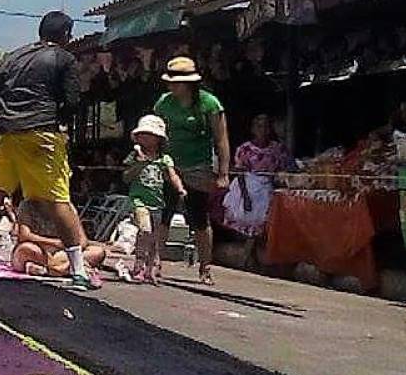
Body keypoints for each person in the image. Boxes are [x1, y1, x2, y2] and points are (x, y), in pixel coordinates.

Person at [0, 11, 97, 289]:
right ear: (65, 34)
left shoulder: (13, 57)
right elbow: (72, 101)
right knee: (58, 200)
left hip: (5, 135)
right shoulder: (64, 58)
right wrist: (58, 119)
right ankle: (78, 272)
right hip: (40, 134)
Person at [153, 56, 230, 285]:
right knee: (163, 213)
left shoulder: (209, 103)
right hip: (169, 164)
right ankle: (155, 262)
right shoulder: (164, 103)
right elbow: (154, 131)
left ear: (188, 83)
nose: (171, 86)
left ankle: (205, 266)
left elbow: (221, 139)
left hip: (198, 166)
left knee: (198, 217)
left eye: (176, 82)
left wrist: (224, 172)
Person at [123, 114, 185, 285]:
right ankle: (138, 264)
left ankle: (150, 269)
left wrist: (180, 189)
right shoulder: (134, 156)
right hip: (139, 200)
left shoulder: (164, 159)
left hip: (157, 203)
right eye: (142, 134)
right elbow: (126, 177)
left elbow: (172, 175)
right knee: (145, 230)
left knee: (154, 237)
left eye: (148, 134)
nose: (144, 137)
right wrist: (139, 164)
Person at [223, 113, 292, 238]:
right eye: (259, 127)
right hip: (248, 188)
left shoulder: (277, 148)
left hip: (267, 189)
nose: (263, 131)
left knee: (264, 226)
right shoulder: (245, 149)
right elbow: (240, 173)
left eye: (266, 127)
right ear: (253, 129)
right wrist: (246, 198)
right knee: (247, 223)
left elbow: (286, 169)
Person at [11, 200, 107, 279]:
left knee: (97, 252)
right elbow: (24, 235)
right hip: (41, 249)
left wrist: (70, 249)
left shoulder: (67, 206)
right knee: (25, 249)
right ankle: (66, 268)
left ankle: (54, 270)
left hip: (63, 252)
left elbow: (82, 240)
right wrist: (55, 243)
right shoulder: (28, 205)